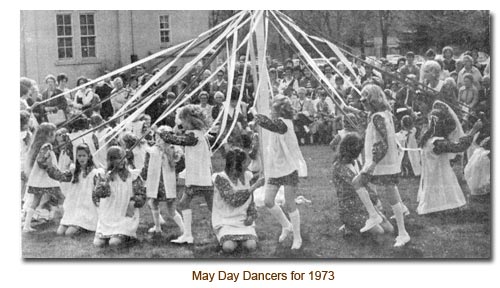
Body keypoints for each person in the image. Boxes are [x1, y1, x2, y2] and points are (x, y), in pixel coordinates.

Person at [252, 95, 307, 250]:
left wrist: (256, 116)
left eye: (273, 109)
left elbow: (271, 125)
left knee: (290, 204)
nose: (271, 111)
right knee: (268, 201)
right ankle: (286, 225)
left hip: (289, 168)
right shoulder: (278, 123)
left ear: (280, 111)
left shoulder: (284, 123)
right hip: (276, 168)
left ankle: (297, 237)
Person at [358, 84, 410, 247]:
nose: (362, 103)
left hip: (381, 161)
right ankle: (378, 216)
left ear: (371, 100)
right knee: (390, 190)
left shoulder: (377, 117)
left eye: (364, 100)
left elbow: (383, 143)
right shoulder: (385, 114)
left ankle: (401, 232)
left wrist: (373, 163)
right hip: (387, 161)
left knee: (359, 183)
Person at [159, 104, 213, 244]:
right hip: (203, 176)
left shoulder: (193, 135)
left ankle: (189, 235)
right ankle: (191, 234)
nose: (181, 123)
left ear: (189, 120)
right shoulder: (200, 134)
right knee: (209, 205)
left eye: (182, 120)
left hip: (197, 177)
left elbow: (178, 140)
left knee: (185, 203)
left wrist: (163, 134)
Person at [417, 102, 483, 215]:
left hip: (433, 176)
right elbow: (460, 147)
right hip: (438, 176)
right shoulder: (437, 142)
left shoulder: (427, 138)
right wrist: (473, 131)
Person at [332, 133, 393, 237]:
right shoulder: (338, 167)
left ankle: (353, 227)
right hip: (350, 208)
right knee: (379, 232)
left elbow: (365, 186)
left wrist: (375, 199)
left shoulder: (356, 163)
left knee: (389, 229)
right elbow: (358, 184)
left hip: (363, 204)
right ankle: (349, 226)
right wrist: (374, 163)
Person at [212, 148, 265, 253]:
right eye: (245, 163)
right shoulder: (219, 178)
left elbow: (251, 201)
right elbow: (234, 200)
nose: (247, 165)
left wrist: (251, 216)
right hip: (225, 221)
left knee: (251, 246)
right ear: (235, 165)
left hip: (242, 221)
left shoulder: (247, 176)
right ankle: (228, 240)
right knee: (229, 247)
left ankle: (238, 241)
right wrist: (254, 187)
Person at [92, 146, 147, 248]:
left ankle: (128, 236)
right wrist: (105, 182)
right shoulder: (104, 175)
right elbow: (99, 194)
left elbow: (142, 195)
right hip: (108, 216)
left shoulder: (132, 176)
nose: (122, 160)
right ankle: (113, 235)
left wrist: (133, 202)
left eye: (123, 157)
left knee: (113, 243)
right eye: (118, 158)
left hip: (124, 215)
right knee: (98, 244)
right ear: (111, 160)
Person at [45, 143, 102, 236]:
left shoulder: (94, 173)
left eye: (84, 155)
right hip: (74, 207)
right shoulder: (74, 171)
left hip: (86, 208)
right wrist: (49, 163)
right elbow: (59, 176)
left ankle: (84, 226)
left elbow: (98, 192)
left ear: (89, 156)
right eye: (79, 156)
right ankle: (75, 224)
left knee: (69, 233)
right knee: (60, 232)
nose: (82, 158)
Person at [141, 126, 185, 235]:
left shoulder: (152, 151)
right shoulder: (175, 150)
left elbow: (146, 167)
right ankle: (184, 229)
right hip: (169, 185)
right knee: (171, 209)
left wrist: (144, 177)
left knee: (153, 203)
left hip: (156, 185)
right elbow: (181, 166)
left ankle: (157, 227)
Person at [23, 123, 64, 232]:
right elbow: (41, 161)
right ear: (49, 134)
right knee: (61, 197)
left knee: (35, 201)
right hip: (47, 179)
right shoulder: (47, 146)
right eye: (54, 134)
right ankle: (65, 220)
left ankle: (26, 225)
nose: (55, 136)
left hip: (38, 180)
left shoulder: (38, 146)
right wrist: (50, 167)